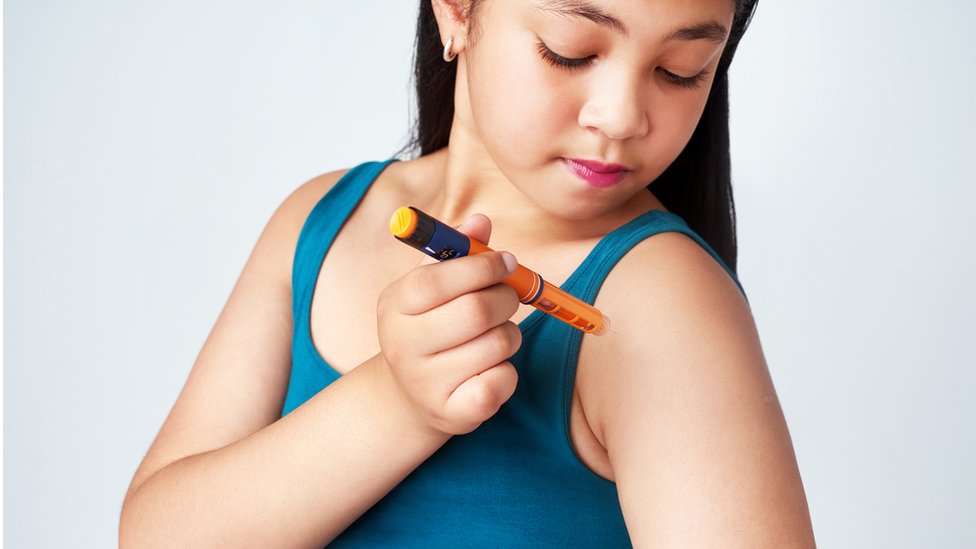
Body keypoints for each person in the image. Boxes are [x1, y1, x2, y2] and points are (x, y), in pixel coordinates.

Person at [120, 0, 816, 546]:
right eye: (570, 51)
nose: (622, 116)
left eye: (681, 68)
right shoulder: (319, 222)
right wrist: (396, 402)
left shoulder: (661, 300)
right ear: (455, 7)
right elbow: (156, 535)